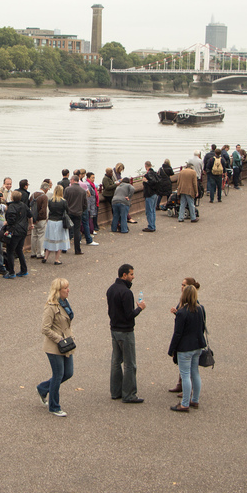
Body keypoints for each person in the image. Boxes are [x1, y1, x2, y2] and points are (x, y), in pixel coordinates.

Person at [107, 264, 147, 403]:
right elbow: (129, 315)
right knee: (130, 363)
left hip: (114, 329)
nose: (133, 277)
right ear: (124, 275)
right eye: (131, 274)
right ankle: (129, 394)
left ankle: (116, 391)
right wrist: (140, 308)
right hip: (125, 331)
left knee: (116, 361)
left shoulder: (111, 289)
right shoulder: (126, 292)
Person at [36, 278, 75, 417]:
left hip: (66, 344)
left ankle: (43, 387)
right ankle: (54, 406)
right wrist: (59, 339)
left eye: (68, 287)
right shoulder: (51, 307)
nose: (68, 290)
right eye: (65, 288)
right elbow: (45, 328)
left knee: (68, 373)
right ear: (58, 291)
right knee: (58, 375)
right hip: (54, 346)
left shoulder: (65, 303)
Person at [168, 283, 207, 412]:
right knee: (195, 372)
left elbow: (177, 333)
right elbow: (202, 327)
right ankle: (195, 400)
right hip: (197, 346)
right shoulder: (200, 309)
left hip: (185, 348)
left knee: (185, 375)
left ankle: (184, 403)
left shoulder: (182, 313)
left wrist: (172, 349)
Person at [3, 191, 32, 279]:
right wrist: (30, 224)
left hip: (14, 231)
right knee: (19, 250)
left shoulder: (12, 207)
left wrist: (6, 222)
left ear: (12, 197)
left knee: (10, 251)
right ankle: (24, 270)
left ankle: (11, 272)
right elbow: (30, 214)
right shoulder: (23, 205)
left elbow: (11, 220)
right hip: (23, 230)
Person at [43, 185, 70, 265]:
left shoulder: (50, 200)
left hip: (51, 221)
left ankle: (45, 257)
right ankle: (56, 259)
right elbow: (67, 211)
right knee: (59, 240)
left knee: (50, 239)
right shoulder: (63, 201)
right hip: (59, 222)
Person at [63, 176, 88, 252]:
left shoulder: (67, 189)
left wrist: (66, 210)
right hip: (78, 213)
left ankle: (64, 248)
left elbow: (64, 201)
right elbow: (85, 204)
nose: (70, 181)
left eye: (70, 180)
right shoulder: (83, 191)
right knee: (76, 231)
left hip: (69, 212)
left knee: (67, 230)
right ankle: (77, 250)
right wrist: (81, 210)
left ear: (73, 180)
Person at [29, 181, 50, 260]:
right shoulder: (44, 197)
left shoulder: (33, 195)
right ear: (46, 188)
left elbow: (30, 206)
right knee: (41, 236)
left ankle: (33, 252)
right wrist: (39, 218)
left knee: (33, 235)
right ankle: (40, 253)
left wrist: (33, 219)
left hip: (33, 219)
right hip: (41, 219)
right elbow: (43, 209)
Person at [141, 161, 160, 231]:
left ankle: (151, 226)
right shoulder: (155, 173)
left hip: (149, 194)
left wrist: (145, 181)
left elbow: (152, 182)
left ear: (145, 166)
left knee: (149, 211)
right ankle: (153, 225)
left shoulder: (148, 174)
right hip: (155, 194)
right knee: (153, 211)